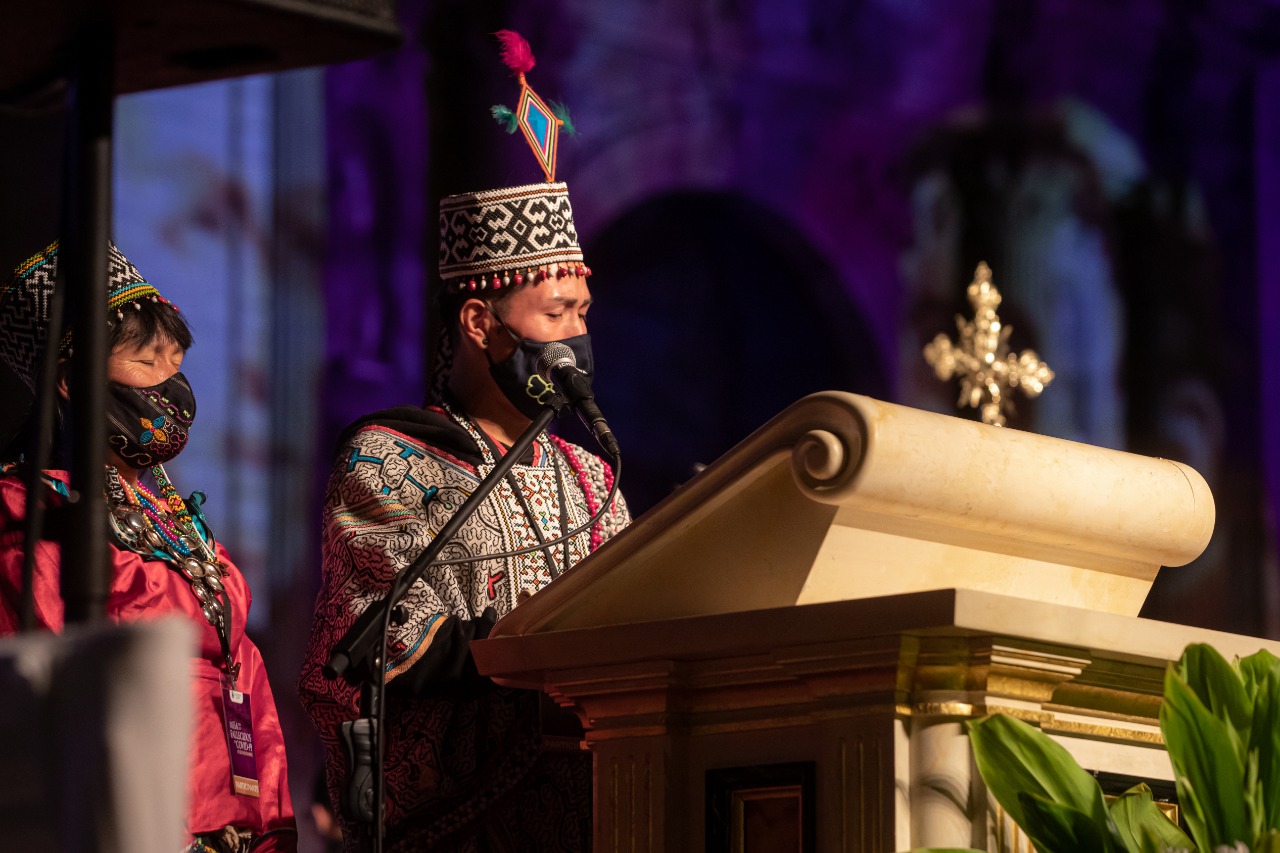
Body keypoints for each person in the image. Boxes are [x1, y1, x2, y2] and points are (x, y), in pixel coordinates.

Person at [298, 31, 630, 852]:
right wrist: (539, 651)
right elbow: (382, 641)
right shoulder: (391, 458)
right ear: (481, 323)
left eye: (583, 314)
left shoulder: (594, 478)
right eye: (555, 314)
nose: (575, 337)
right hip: (454, 832)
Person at [0, 242, 297, 853]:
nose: (172, 383)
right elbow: (63, 696)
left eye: (175, 360)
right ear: (71, 382)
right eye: (146, 360)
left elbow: (245, 678)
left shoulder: (172, 517)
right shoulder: (31, 514)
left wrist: (272, 824)